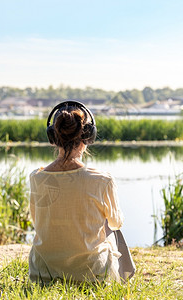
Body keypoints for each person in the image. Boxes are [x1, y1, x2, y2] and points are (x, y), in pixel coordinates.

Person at [29, 100, 135, 284]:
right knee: (109, 223)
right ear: (88, 137)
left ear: (53, 138)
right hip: (93, 276)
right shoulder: (102, 180)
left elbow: (36, 220)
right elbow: (116, 223)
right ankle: (125, 277)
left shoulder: (36, 177)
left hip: (42, 274)